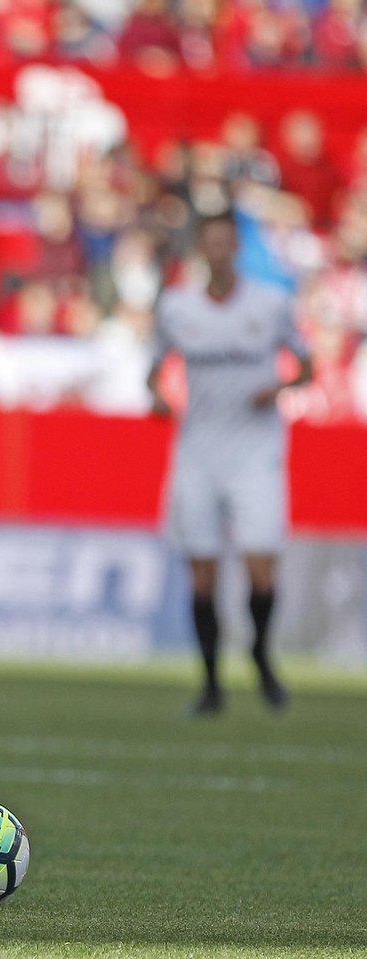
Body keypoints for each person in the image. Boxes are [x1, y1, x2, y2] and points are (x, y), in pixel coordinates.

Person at [147, 212, 313, 716]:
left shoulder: (271, 303)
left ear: (236, 247)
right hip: (197, 451)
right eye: (210, 244)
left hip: (256, 451)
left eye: (225, 243)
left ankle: (260, 654)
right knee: (202, 572)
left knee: (261, 566)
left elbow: (307, 366)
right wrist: (157, 397)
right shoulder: (177, 308)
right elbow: (154, 371)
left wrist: (280, 386)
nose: (218, 252)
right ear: (201, 250)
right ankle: (211, 682)